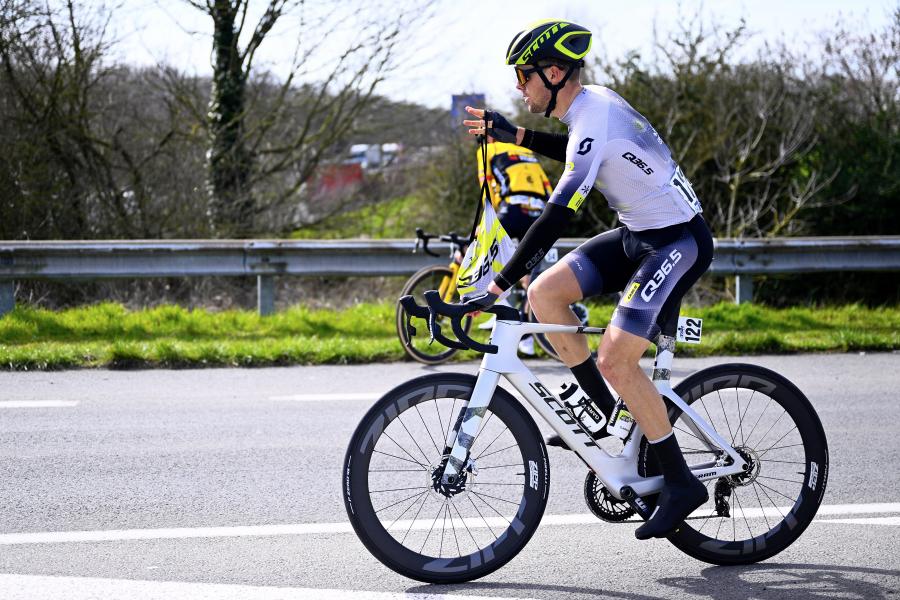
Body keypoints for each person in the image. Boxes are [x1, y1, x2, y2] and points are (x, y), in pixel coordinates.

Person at [461, 19, 714, 540]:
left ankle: (681, 480)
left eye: (524, 75)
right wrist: (518, 135)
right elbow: (578, 146)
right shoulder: (587, 107)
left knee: (616, 357)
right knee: (545, 295)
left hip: (677, 242)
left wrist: (497, 283)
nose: (518, 85)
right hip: (635, 234)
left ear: (553, 73)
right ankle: (605, 413)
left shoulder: (596, 112)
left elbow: (557, 217)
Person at [474, 135, 553, 356]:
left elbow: (487, 189)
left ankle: (500, 308)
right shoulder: (525, 151)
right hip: (539, 213)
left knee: (483, 253)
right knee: (525, 273)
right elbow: (547, 187)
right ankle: (526, 337)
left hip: (514, 209)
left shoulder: (487, 150)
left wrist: (487, 222)